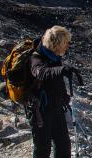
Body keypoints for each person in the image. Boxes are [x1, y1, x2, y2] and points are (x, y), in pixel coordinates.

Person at [28, 25, 78, 158]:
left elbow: (56, 80)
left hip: (56, 107)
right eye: (66, 43)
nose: (68, 46)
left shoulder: (54, 57)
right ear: (57, 44)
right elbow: (42, 73)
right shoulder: (36, 58)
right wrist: (62, 70)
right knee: (43, 148)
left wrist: (64, 96)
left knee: (63, 146)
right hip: (40, 110)